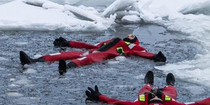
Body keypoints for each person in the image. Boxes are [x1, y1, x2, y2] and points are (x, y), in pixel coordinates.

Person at [85, 71, 210, 105]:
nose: (154, 95)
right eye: (155, 97)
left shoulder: (139, 104)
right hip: (167, 99)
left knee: (144, 90)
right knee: (171, 92)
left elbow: (115, 102)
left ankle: (148, 83)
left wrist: (99, 97)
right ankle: (170, 85)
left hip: (145, 98)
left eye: (154, 97)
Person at [19, 34, 166, 75]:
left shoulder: (135, 47)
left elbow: (141, 54)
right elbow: (90, 45)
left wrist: (154, 56)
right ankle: (35, 61)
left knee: (86, 59)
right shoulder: (112, 40)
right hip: (93, 50)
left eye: (132, 35)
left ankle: (66, 68)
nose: (130, 35)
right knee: (65, 54)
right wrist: (68, 43)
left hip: (105, 55)